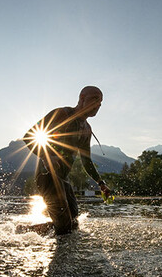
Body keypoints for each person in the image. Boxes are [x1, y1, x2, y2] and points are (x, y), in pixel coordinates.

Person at [23, 86, 111, 235]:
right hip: (47, 175)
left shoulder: (87, 129)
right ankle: (57, 253)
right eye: (95, 99)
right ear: (82, 98)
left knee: (74, 224)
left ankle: (25, 231)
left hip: (63, 179)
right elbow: (29, 136)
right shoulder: (62, 114)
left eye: (100, 102)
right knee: (65, 228)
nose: (98, 105)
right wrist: (46, 156)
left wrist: (101, 184)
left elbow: (86, 161)